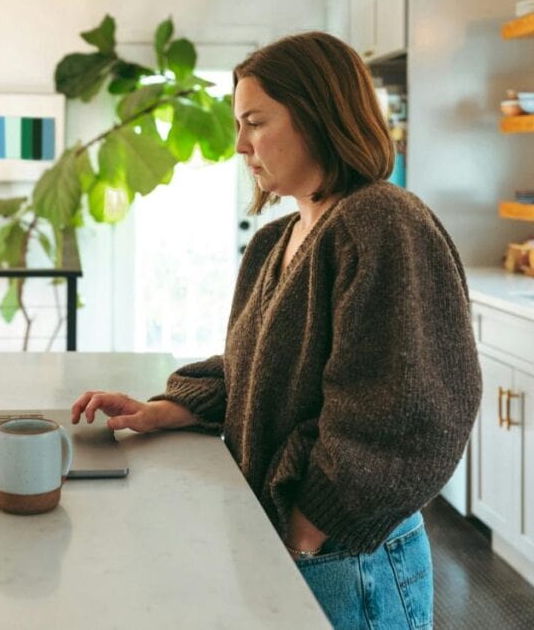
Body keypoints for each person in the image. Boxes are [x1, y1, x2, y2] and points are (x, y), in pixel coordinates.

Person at [71, 31, 481, 629]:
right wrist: (169, 407)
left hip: (349, 557)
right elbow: (258, 366)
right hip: (300, 542)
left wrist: (308, 527)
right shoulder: (274, 241)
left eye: (256, 122)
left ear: (318, 116)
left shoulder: (382, 220)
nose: (240, 145)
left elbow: (406, 412)